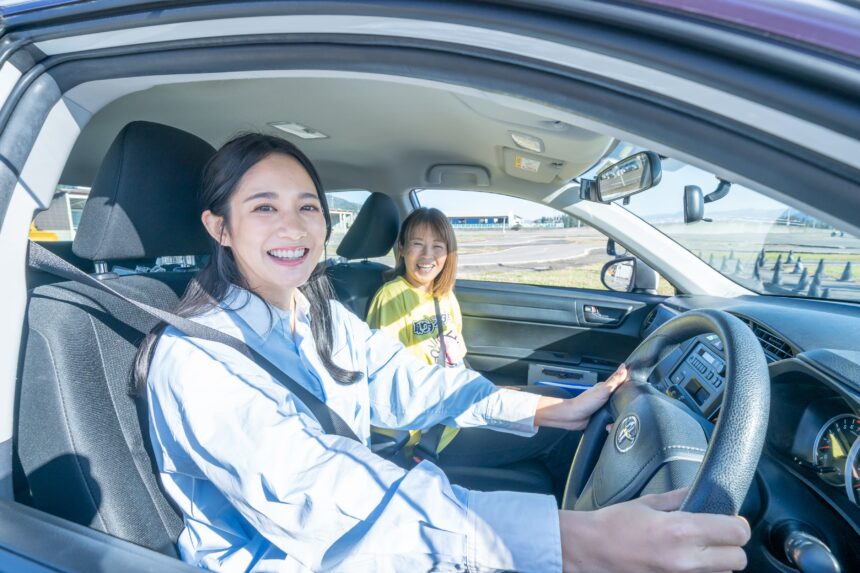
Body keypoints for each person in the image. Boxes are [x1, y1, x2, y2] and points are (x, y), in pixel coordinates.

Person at [137, 133, 750, 573]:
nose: (294, 229)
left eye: (308, 208)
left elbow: (405, 380)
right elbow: (318, 496)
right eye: (263, 208)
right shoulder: (199, 359)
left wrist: (537, 410)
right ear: (220, 228)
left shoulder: (310, 309)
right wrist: (576, 542)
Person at [366, 207, 578, 497]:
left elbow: (456, 363)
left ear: (448, 254)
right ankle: (573, 508)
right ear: (401, 249)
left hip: (458, 408)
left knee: (561, 399)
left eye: (437, 247)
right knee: (560, 427)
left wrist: (493, 393)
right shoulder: (392, 296)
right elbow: (399, 384)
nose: (427, 256)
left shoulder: (443, 296)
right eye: (417, 244)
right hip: (432, 432)